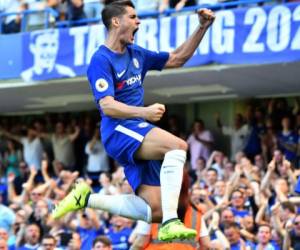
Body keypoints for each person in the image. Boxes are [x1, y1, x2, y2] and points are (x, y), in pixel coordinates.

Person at [52, 0, 215, 242]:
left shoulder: (137, 54)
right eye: (133, 17)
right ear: (116, 22)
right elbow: (107, 105)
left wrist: (202, 27)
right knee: (178, 147)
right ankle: (172, 222)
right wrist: (144, 113)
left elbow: (178, 58)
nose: (138, 21)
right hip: (118, 130)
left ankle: (87, 198)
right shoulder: (101, 60)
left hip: (136, 130)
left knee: (155, 211)